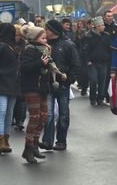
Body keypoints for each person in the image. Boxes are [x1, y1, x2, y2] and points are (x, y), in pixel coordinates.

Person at [40, 19, 80, 151]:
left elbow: (75, 65)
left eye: (47, 29)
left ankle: (61, 141)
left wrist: (69, 80)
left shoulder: (68, 45)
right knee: (49, 114)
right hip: (48, 83)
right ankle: (47, 141)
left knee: (63, 114)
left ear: (53, 31)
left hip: (62, 84)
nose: (45, 31)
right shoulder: (44, 46)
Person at [19, 26, 52, 163]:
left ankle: (35, 145)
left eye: (45, 38)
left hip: (42, 88)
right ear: (34, 38)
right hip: (31, 87)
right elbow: (24, 68)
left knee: (44, 117)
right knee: (34, 117)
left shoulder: (45, 49)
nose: (45, 40)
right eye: (42, 38)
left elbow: (47, 68)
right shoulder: (29, 50)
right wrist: (40, 62)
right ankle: (28, 149)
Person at [0, 23, 19, 155]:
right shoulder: (1, 45)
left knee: (9, 113)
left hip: (12, 84)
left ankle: (6, 140)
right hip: (1, 83)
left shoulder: (12, 46)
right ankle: (0, 140)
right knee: (2, 111)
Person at [85, 16, 112, 106]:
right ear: (96, 26)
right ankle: (92, 98)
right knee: (94, 80)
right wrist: (88, 60)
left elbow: (110, 49)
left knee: (102, 81)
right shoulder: (88, 36)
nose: (103, 27)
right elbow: (85, 50)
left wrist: (109, 59)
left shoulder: (106, 36)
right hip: (92, 62)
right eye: (101, 25)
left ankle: (100, 98)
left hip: (103, 62)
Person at [12, 24, 27, 131]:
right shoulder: (7, 45)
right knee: (14, 99)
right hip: (11, 76)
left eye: (18, 35)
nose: (17, 37)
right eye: (15, 35)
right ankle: (15, 118)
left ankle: (20, 120)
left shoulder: (25, 45)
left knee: (22, 99)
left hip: (23, 75)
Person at [74, 19, 89, 96]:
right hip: (78, 53)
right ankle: (82, 85)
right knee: (81, 71)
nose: (80, 25)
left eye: (81, 23)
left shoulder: (86, 33)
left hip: (85, 54)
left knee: (85, 72)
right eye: (78, 24)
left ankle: (85, 87)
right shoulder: (76, 32)